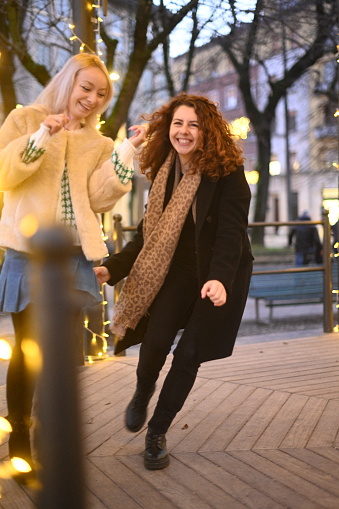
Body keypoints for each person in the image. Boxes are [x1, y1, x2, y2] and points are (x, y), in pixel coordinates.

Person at [0, 53, 145, 481]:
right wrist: (44, 134)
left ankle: (53, 439)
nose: (93, 98)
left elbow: (99, 199)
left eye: (102, 94)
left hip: (74, 257)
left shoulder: (97, 142)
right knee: (28, 351)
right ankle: (21, 440)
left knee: (64, 354)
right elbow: (6, 173)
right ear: (68, 82)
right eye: (87, 88)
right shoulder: (26, 119)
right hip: (28, 253)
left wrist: (126, 150)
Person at [94, 94, 253, 470]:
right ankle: (143, 389)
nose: (184, 131)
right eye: (178, 123)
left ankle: (157, 434)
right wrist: (111, 269)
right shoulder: (165, 171)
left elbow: (232, 233)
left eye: (193, 125)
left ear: (207, 132)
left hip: (219, 276)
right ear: (169, 129)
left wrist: (218, 279)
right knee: (156, 341)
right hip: (179, 272)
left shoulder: (227, 173)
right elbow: (149, 236)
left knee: (188, 357)